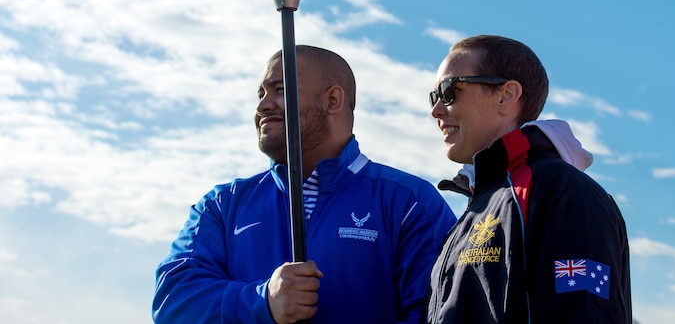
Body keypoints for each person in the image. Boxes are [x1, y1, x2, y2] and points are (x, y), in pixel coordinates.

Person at [153, 45, 456, 324]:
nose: (263, 105)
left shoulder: (409, 203)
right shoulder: (223, 204)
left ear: (332, 100)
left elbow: (439, 314)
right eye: (260, 94)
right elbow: (172, 304)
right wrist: (264, 302)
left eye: (280, 90)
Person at [421, 35, 632, 323]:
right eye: (434, 97)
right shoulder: (476, 209)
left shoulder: (565, 192)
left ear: (506, 95)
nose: (436, 110)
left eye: (449, 90)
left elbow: (586, 312)